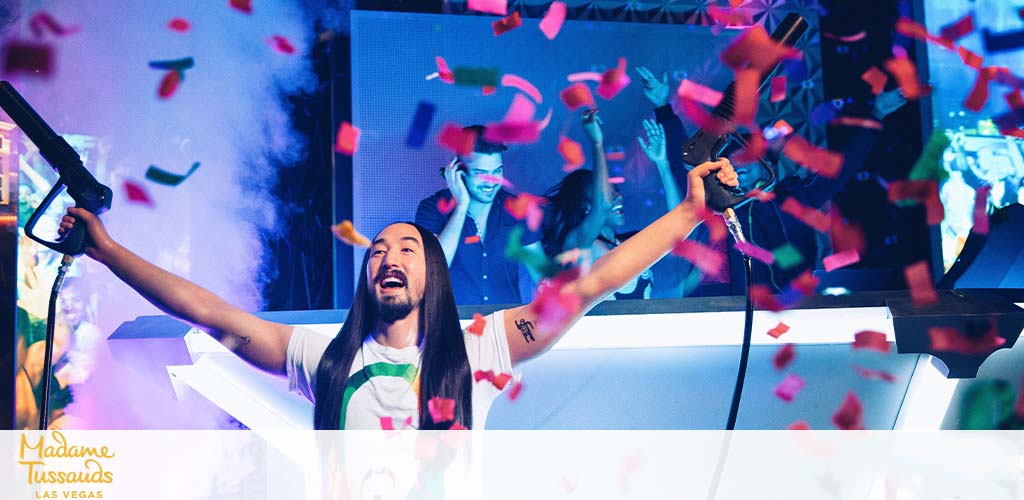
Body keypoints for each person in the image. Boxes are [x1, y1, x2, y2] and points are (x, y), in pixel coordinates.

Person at [59, 158, 738, 430]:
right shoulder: (323, 358)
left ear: (432, 273)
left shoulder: (485, 349)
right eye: (377, 250)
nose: (388, 257)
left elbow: (591, 283)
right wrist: (109, 250)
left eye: (408, 248)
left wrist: (689, 212)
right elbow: (208, 312)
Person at [634, 65, 908, 293]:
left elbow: (840, 168)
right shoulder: (720, 201)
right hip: (724, 308)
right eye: (731, 161)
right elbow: (690, 160)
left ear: (766, 167)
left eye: (747, 160)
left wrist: (877, 115)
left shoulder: (794, 198)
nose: (738, 166)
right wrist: (663, 108)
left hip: (787, 309)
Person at [542, 111, 683, 299]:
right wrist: (597, 142)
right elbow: (602, 205)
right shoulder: (578, 244)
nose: (617, 197)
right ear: (585, 205)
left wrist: (662, 163)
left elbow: (678, 226)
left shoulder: (630, 243)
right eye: (608, 191)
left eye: (616, 190)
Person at [415, 125, 544, 305]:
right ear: (458, 172)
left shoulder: (518, 209)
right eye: (480, 173)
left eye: (497, 171)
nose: (490, 182)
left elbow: (541, 274)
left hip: (506, 325)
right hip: (453, 323)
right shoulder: (432, 209)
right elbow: (433, 270)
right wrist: (461, 206)